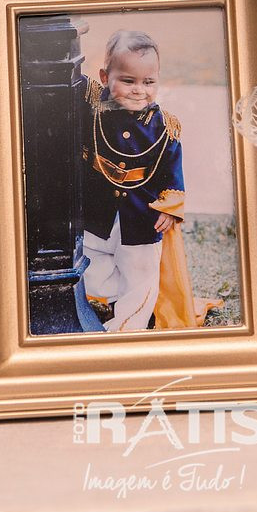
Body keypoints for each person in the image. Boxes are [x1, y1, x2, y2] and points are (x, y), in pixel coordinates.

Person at [80, 29, 184, 332]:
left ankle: (128, 327)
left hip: (141, 216)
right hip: (97, 212)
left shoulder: (164, 126)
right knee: (93, 265)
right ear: (105, 77)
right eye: (128, 81)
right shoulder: (92, 108)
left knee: (140, 274)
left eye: (148, 82)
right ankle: (113, 300)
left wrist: (169, 207)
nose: (139, 90)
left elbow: (173, 171)